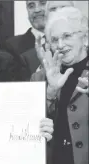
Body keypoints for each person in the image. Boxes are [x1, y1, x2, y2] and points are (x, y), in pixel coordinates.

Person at [31, 7, 88, 164]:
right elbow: (27, 124)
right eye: (55, 40)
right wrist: (50, 93)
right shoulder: (40, 76)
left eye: (67, 36)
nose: (60, 45)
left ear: (85, 38)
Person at [19, 1, 75, 81]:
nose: (59, 14)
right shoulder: (30, 56)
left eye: (64, 8)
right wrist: (44, 68)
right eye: (53, 9)